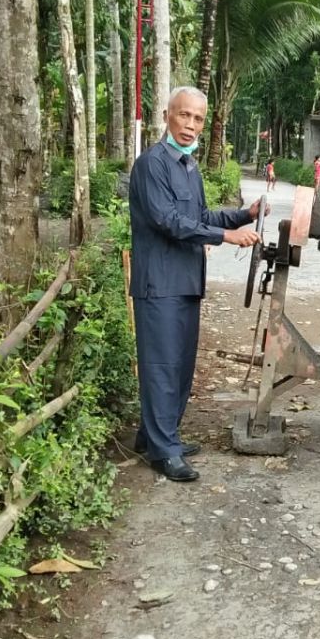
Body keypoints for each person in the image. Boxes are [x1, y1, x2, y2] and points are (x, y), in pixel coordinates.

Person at [129, 86, 265, 482]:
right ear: (168, 115)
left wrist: (243, 215)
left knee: (180, 365)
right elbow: (168, 220)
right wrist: (226, 238)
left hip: (186, 281)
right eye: (184, 115)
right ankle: (163, 450)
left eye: (198, 119)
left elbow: (201, 215)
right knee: (161, 365)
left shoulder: (189, 166)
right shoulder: (151, 164)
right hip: (160, 282)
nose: (190, 125)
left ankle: (156, 436)